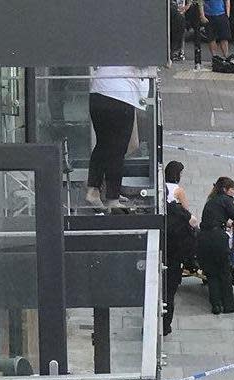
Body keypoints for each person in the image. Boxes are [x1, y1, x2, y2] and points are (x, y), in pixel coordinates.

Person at [86, 66, 151, 210]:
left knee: (104, 144)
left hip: (98, 91)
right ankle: (112, 198)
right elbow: (144, 59)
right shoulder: (138, 42)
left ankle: (96, 189)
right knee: (117, 149)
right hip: (120, 95)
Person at [199, 177, 234, 315]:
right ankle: (229, 304)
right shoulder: (226, 200)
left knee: (212, 273)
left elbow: (213, 219)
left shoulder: (211, 201)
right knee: (224, 271)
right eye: (233, 189)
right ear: (225, 189)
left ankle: (216, 305)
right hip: (218, 238)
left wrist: (224, 223)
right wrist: (233, 226)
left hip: (204, 238)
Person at [164, 199, 198, 335]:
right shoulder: (178, 211)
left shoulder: (160, 212)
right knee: (169, 295)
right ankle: (166, 325)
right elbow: (194, 222)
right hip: (175, 260)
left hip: (162, 255)